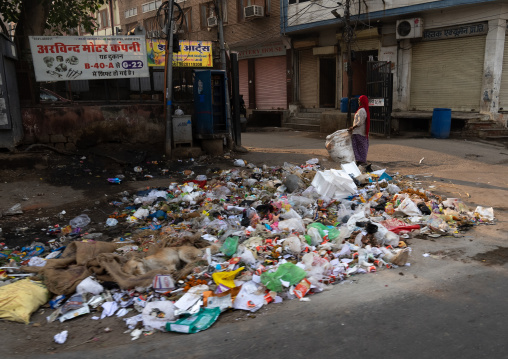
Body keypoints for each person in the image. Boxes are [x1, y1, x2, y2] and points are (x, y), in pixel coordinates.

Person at [348, 95, 370, 165]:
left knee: (358, 146)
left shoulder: (361, 110)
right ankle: (361, 159)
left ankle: (360, 160)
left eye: (359, 100)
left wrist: (353, 127)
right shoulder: (363, 110)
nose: (358, 102)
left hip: (358, 132)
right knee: (362, 146)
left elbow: (360, 122)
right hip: (361, 132)